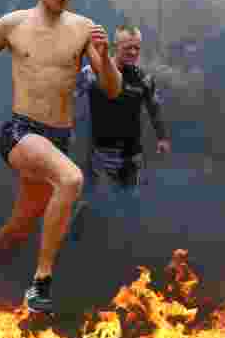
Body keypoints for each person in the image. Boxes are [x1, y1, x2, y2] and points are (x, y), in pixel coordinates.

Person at [0, 0, 122, 314]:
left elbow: (112, 89)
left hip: (58, 138)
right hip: (21, 132)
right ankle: (41, 283)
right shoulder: (13, 25)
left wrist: (106, 58)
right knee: (71, 180)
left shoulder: (83, 29)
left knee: (19, 228)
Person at [69, 24, 170, 239]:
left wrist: (162, 137)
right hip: (96, 150)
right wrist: (65, 126)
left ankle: (125, 241)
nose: (133, 53)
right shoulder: (91, 73)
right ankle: (77, 238)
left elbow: (154, 108)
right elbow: (67, 97)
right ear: (115, 47)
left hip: (129, 156)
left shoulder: (144, 79)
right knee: (87, 197)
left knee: (128, 201)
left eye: (137, 48)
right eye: (128, 48)